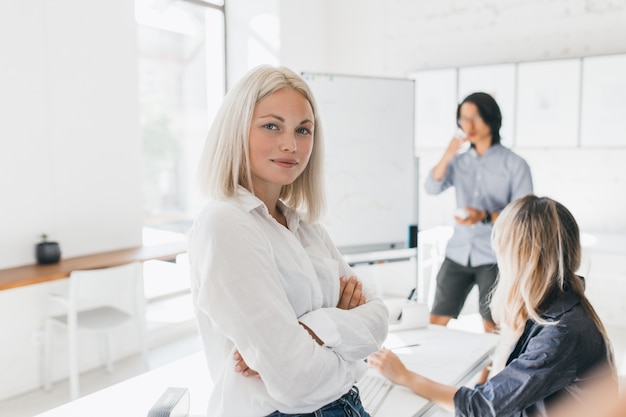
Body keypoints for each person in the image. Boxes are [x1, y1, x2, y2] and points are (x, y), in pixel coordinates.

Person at [187, 65, 389, 417]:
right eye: (271, 125)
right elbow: (295, 380)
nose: (290, 144)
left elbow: (379, 319)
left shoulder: (307, 228)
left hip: (346, 405)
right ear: (237, 130)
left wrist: (312, 328)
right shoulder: (226, 224)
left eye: (303, 130)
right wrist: (343, 331)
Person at [368, 195, 617, 417]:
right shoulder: (557, 305)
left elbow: (483, 407)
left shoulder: (561, 331)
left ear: (520, 258)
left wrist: (405, 377)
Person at [424, 92, 533, 365]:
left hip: (493, 256)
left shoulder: (514, 164)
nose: (468, 125)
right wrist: (449, 152)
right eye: (463, 118)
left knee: (493, 327)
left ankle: (490, 379)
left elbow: (525, 216)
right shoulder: (459, 161)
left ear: (491, 119)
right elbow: (432, 186)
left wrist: (484, 216)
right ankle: (432, 367)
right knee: (436, 319)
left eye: (475, 117)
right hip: (458, 252)